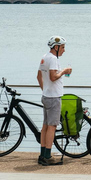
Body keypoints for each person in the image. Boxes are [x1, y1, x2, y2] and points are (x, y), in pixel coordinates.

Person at [36, 35, 72, 166]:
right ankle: (47, 156)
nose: (64, 50)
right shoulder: (53, 59)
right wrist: (64, 71)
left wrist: (44, 89)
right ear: (56, 47)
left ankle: (42, 154)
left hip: (46, 96)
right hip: (54, 97)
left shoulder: (44, 57)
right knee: (52, 127)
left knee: (45, 126)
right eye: (62, 47)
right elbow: (53, 77)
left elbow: (38, 76)